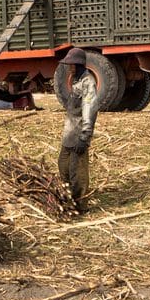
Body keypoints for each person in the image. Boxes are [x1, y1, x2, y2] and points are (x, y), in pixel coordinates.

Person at [58, 48, 99, 211]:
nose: (70, 67)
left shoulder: (88, 82)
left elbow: (89, 109)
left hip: (79, 136)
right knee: (64, 167)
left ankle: (80, 205)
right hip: (69, 134)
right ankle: (67, 200)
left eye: (72, 65)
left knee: (78, 173)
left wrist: (85, 137)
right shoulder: (75, 80)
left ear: (79, 64)